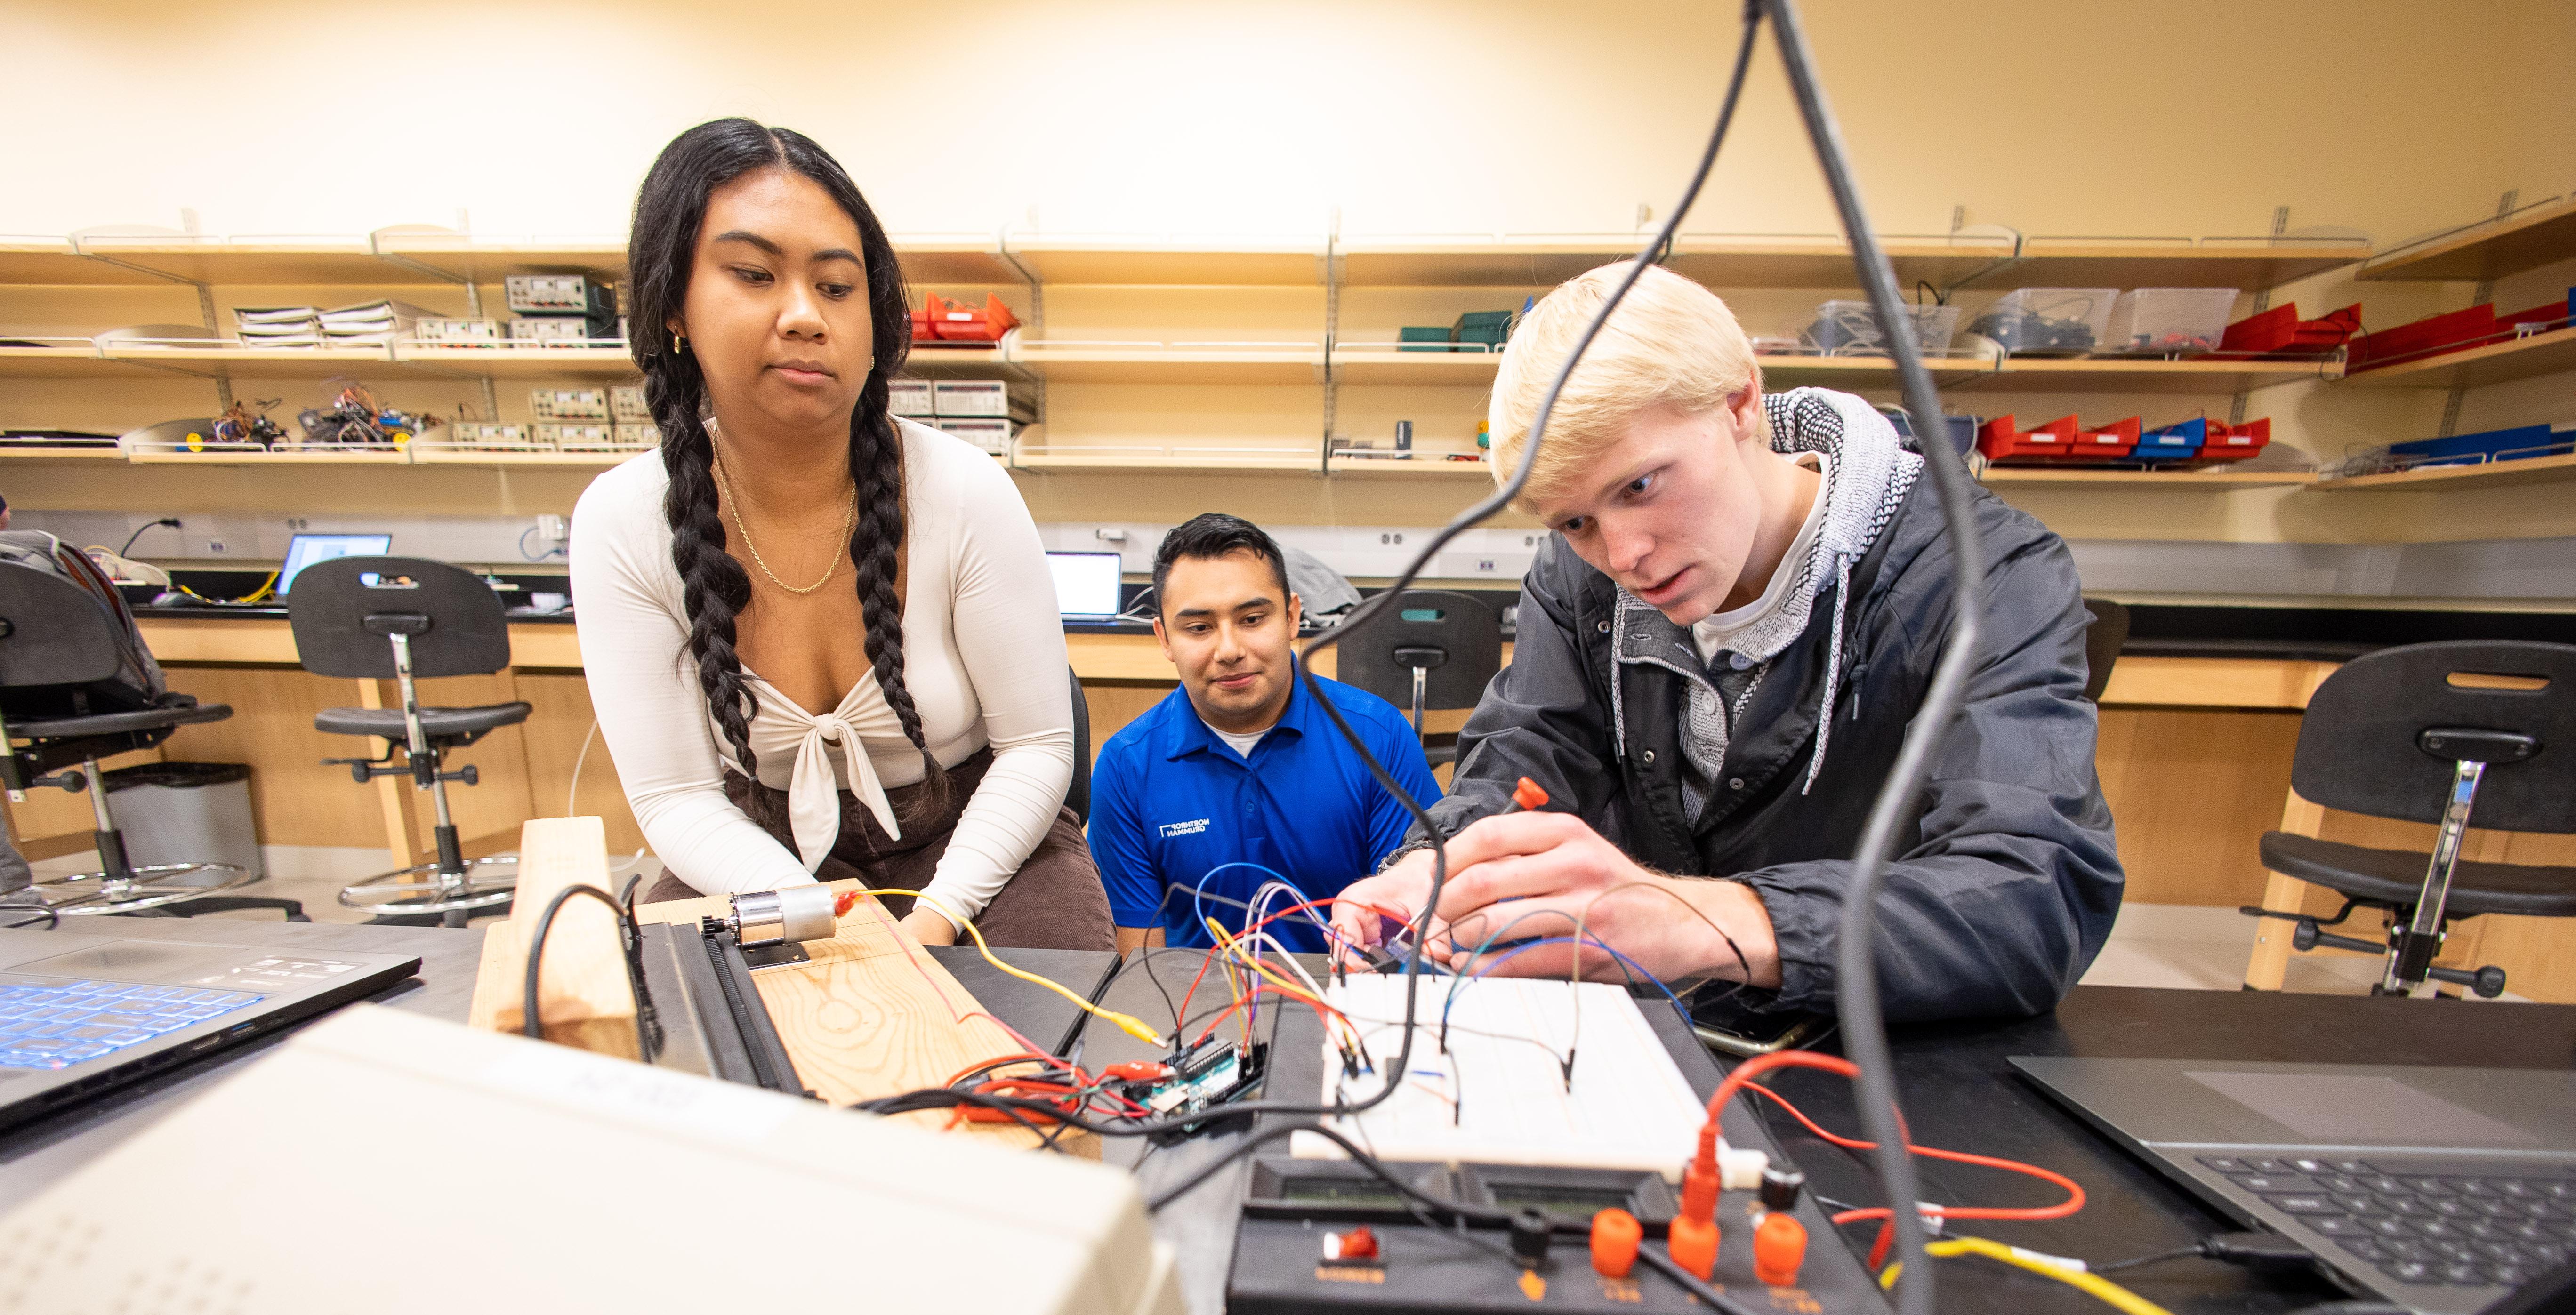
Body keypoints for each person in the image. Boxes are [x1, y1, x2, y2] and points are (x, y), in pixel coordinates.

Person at [1330, 264, 2123, 1025]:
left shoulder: (1981, 577)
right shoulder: (1581, 578)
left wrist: (1690, 917)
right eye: (1574, 522)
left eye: (1639, 486)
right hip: (1646, 1029)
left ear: (1741, 401)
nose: (1622, 554)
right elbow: (1527, 756)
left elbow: (2033, 895)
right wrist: (1441, 868)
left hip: (1869, 1048)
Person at [573, 119, 1111, 950]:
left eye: (835, 286)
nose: (803, 317)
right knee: (700, 1044)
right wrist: (829, 920)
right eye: (753, 274)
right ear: (673, 303)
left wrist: (933, 919)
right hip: (749, 855)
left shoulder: (965, 492)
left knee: (1030, 1050)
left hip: (976, 849)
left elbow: (1037, 748)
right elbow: (677, 797)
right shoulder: (622, 522)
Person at [1087, 513, 1441, 955]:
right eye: (1198, 628)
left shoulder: (1377, 738)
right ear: (1164, 638)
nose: (1230, 650)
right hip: (1194, 1012)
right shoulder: (1125, 767)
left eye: (1252, 619)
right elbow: (1139, 965)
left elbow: (1402, 934)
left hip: (1346, 1000)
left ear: (1292, 617)